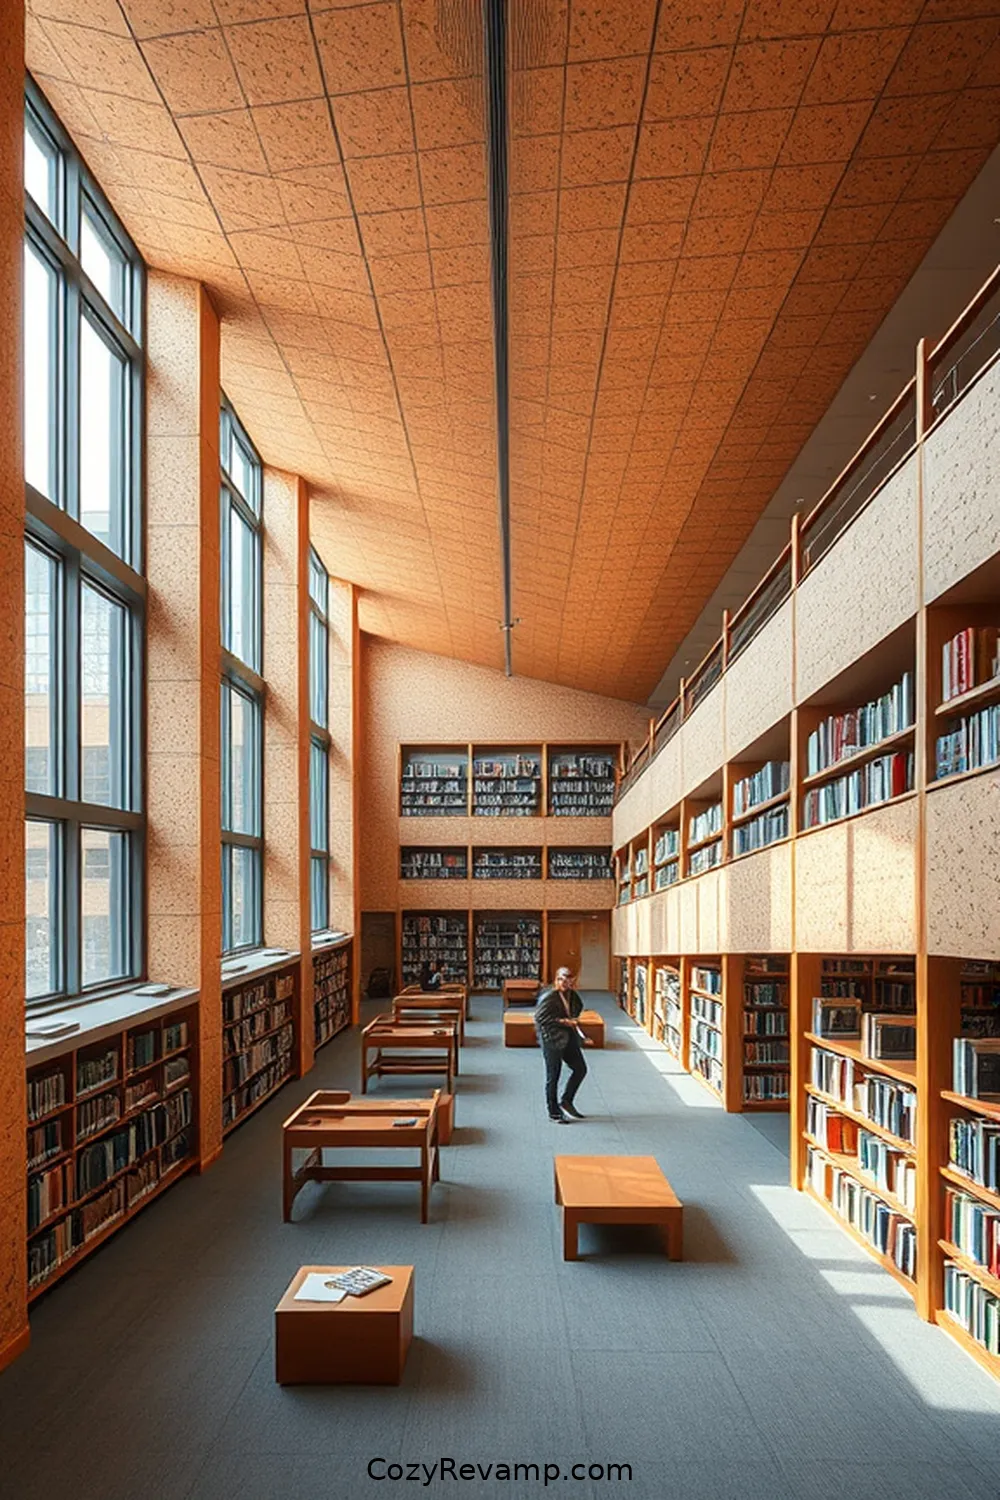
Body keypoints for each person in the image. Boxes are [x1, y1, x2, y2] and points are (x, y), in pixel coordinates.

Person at [534, 967, 592, 1123]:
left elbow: (577, 1008)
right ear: (556, 980)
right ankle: (553, 1112)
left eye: (568, 980)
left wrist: (573, 1019)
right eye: (561, 979)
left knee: (580, 1069)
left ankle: (566, 1100)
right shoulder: (549, 997)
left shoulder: (572, 995)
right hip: (551, 1039)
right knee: (553, 1076)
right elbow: (539, 1019)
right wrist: (562, 1021)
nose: (565, 983)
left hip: (568, 1037)